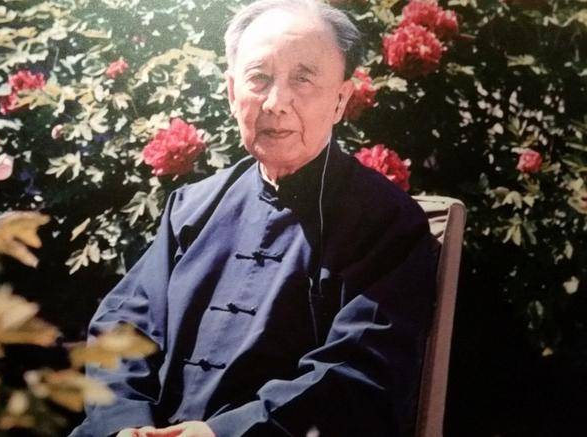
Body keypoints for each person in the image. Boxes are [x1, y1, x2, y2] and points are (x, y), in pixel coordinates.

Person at [71, 0, 437, 436]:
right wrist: (124, 423)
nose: (276, 102)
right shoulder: (192, 206)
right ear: (231, 92)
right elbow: (123, 327)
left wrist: (221, 433)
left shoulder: (387, 223)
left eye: (303, 79)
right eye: (259, 78)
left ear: (341, 99)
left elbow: (358, 372)